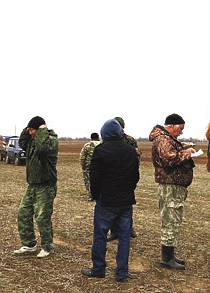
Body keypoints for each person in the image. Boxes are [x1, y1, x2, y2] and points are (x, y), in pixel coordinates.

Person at [81, 119, 140, 282]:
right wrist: (128, 191)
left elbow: (95, 177)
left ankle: (98, 269)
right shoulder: (131, 151)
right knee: (124, 238)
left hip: (106, 202)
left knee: (100, 236)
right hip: (126, 202)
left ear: (104, 133)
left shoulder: (100, 151)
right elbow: (136, 176)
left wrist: (96, 194)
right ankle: (121, 273)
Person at [149, 113, 196, 270]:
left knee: (173, 221)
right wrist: (187, 153)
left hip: (174, 187)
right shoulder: (163, 139)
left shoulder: (167, 139)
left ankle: (169, 255)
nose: (182, 132)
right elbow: (169, 159)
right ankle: (166, 259)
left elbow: (173, 150)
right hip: (170, 187)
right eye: (181, 128)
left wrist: (185, 148)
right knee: (170, 221)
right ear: (173, 126)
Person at [13, 116, 59, 258]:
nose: (30, 133)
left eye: (32, 130)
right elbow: (22, 142)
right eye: (29, 130)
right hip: (32, 185)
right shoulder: (32, 141)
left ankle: (47, 246)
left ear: (40, 129)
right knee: (23, 213)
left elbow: (42, 147)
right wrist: (28, 129)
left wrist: (42, 131)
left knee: (42, 217)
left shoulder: (50, 141)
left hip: (46, 185)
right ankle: (29, 245)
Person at [107, 116, 140, 241]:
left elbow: (137, 157)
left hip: (126, 178)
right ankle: (114, 231)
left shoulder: (130, 140)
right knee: (111, 206)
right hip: (112, 178)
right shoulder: (107, 139)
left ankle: (128, 228)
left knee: (126, 205)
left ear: (122, 127)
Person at [79, 133, 101, 201]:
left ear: (91, 138)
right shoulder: (102, 144)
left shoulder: (87, 145)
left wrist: (83, 165)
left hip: (89, 166)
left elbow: (82, 157)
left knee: (88, 181)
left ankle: (92, 196)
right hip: (101, 166)